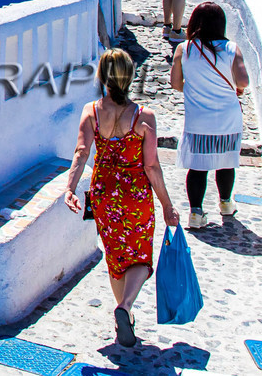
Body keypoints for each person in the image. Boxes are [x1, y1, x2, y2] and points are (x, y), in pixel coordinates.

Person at [66, 48, 178, 347]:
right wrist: (167, 204)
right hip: (135, 193)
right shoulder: (143, 116)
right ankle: (125, 307)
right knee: (140, 255)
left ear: (102, 76)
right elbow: (152, 165)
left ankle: (123, 317)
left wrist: (70, 187)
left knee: (116, 256)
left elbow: (82, 152)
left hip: (104, 194)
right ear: (130, 77)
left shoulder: (91, 111)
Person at [170, 1, 249, 230]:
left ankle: (196, 213)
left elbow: (176, 83)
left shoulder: (185, 49)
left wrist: (196, 87)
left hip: (198, 119)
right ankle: (225, 204)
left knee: (198, 166)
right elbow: (243, 82)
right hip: (227, 118)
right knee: (226, 162)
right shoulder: (232, 48)